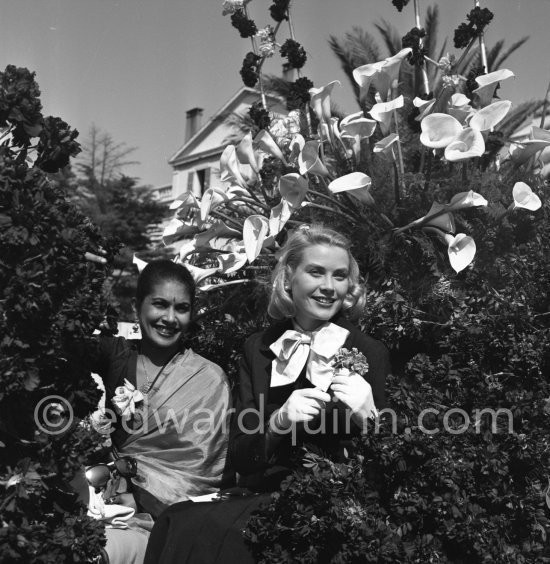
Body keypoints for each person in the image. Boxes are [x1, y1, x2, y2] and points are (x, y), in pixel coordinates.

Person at [144, 225, 390, 564]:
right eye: (316, 272)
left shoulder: (370, 351)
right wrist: (276, 423)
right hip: (265, 494)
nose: (329, 287)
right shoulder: (258, 348)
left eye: (340, 276)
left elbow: (391, 462)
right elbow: (241, 456)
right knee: (180, 522)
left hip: (336, 505)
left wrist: (370, 416)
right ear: (289, 277)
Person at [76, 260, 232, 564]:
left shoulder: (210, 378)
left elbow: (203, 473)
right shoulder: (117, 356)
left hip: (175, 523)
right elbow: (57, 343)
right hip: (105, 503)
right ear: (137, 307)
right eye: (159, 304)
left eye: (182, 308)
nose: (169, 318)